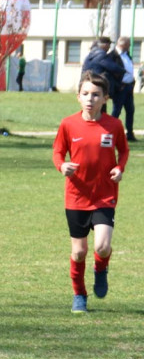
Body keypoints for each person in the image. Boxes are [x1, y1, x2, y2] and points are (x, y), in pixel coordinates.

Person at [52, 72, 129, 313]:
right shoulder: (68, 123)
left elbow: (123, 151)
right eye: (85, 94)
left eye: (95, 95)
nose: (90, 99)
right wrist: (62, 165)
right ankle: (79, 295)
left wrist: (119, 167)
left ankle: (100, 269)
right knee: (78, 252)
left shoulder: (114, 125)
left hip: (105, 195)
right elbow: (58, 152)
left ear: (105, 98)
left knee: (102, 247)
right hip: (76, 196)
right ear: (78, 97)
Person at [81, 37, 124, 112]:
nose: (109, 47)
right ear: (104, 45)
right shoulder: (101, 55)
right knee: (100, 112)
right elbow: (114, 68)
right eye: (109, 44)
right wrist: (123, 70)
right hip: (98, 85)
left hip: (88, 84)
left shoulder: (91, 54)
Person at [111, 36, 137, 142]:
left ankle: (129, 133)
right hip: (120, 88)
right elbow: (111, 72)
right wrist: (118, 85)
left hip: (129, 87)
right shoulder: (113, 56)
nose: (129, 46)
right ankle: (111, 132)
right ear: (123, 44)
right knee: (116, 111)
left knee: (130, 110)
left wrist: (132, 82)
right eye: (128, 44)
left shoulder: (127, 56)